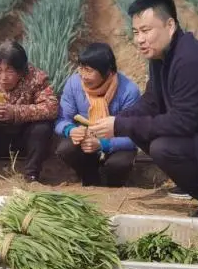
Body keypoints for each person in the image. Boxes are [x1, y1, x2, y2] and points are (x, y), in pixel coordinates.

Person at [89, 0, 198, 218]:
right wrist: (115, 122)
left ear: (170, 25)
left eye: (146, 30)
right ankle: (193, 180)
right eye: (135, 32)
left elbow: (182, 122)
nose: (139, 39)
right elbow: (151, 102)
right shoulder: (160, 57)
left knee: (163, 148)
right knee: (140, 131)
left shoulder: (190, 60)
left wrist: (120, 125)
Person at [0, 40, 59, 183]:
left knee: (43, 127)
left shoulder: (36, 78)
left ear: (21, 71)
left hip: (23, 138)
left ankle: (31, 174)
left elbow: (52, 107)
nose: (3, 77)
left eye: (10, 71)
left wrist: (16, 112)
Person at [55, 43, 141, 187]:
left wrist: (103, 144)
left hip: (116, 141)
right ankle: (90, 178)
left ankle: (113, 184)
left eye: (89, 70)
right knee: (66, 149)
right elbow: (61, 119)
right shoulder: (74, 83)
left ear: (108, 72)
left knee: (119, 164)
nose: (83, 75)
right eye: (81, 68)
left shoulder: (129, 91)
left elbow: (135, 136)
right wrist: (71, 130)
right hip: (87, 141)